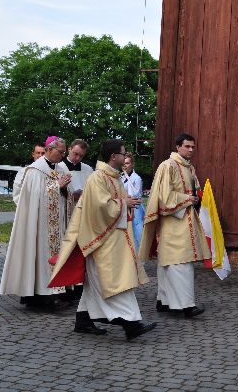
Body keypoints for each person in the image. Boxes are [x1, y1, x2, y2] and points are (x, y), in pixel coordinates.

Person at [49, 139, 156, 340]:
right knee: (114, 282)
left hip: (114, 239)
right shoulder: (98, 177)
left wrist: (127, 204)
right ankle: (131, 324)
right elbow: (99, 209)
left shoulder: (113, 177)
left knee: (96, 284)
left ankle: (83, 320)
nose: (125, 157)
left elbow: (114, 204)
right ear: (113, 156)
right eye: (123, 153)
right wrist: (125, 203)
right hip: (102, 241)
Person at [139, 133, 211, 317]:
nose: (191, 150)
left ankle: (164, 301)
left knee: (169, 263)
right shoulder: (168, 166)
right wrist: (188, 198)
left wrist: (197, 198)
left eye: (193, 147)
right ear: (178, 147)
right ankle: (186, 305)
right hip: (173, 222)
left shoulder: (189, 168)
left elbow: (194, 191)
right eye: (187, 146)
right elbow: (164, 197)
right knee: (180, 263)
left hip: (185, 220)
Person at [0, 136, 74, 308]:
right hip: (39, 225)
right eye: (60, 152)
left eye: (63, 152)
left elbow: (65, 193)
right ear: (49, 150)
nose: (62, 156)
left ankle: (55, 293)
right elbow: (33, 197)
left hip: (56, 224)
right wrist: (57, 187)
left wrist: (66, 190)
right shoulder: (35, 170)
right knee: (39, 257)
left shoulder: (60, 168)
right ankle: (40, 297)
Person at [121, 152, 145, 251]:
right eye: (123, 163)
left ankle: (139, 260)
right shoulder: (120, 177)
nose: (124, 166)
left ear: (132, 164)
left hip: (136, 209)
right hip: (125, 208)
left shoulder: (136, 178)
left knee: (137, 234)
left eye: (127, 163)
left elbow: (134, 194)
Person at [62, 139, 94, 204]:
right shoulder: (59, 168)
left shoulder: (88, 169)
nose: (78, 158)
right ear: (69, 149)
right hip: (65, 206)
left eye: (81, 156)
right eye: (76, 154)